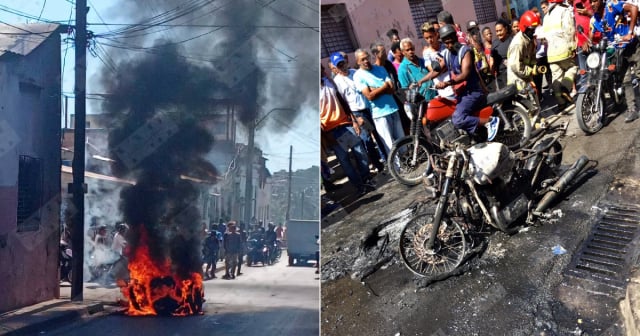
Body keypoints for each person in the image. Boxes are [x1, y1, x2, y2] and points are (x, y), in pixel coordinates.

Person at [436, 24, 499, 141]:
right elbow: (437, 70)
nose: (449, 45)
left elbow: (465, 74)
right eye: (446, 43)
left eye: (451, 42)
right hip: (461, 93)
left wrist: (447, 83)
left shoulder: (465, 51)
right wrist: (420, 81)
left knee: (458, 119)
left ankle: (490, 121)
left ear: (455, 37)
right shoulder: (448, 54)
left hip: (472, 92)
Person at [321, 63, 376, 196]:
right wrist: (325, 135)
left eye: (322, 68)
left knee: (361, 153)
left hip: (345, 124)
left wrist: (353, 120)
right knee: (345, 161)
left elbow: (343, 101)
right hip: (330, 131)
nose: (322, 71)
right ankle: (359, 186)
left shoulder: (329, 81)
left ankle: (366, 178)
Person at [589, 0, 639, 122]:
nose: (592, 4)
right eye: (590, 2)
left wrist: (630, 32)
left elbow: (634, 8)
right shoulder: (595, 17)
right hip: (617, 50)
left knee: (638, 75)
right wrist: (587, 42)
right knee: (625, 80)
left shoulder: (612, 5)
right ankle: (632, 109)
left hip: (632, 45)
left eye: (595, 1)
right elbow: (593, 33)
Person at [353, 49, 405, 156]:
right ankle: (398, 169)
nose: (366, 61)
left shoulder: (380, 69)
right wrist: (384, 86)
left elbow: (392, 89)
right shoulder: (358, 76)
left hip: (393, 108)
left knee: (402, 141)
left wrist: (376, 89)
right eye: (362, 59)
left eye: (367, 58)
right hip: (379, 114)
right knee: (390, 145)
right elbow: (370, 96)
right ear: (358, 62)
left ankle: (409, 164)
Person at [543, 0, 577, 112]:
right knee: (572, 67)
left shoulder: (546, 16)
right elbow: (569, 30)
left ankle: (561, 103)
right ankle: (565, 87)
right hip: (563, 49)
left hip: (551, 53)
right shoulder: (564, 11)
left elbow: (545, 36)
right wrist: (572, 47)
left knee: (556, 77)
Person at [507, 10, 541, 92]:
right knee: (530, 104)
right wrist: (531, 71)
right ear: (524, 27)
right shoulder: (518, 43)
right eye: (532, 29)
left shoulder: (528, 39)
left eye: (534, 29)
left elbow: (531, 57)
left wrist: (534, 66)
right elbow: (516, 67)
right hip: (518, 82)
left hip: (525, 79)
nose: (534, 31)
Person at [422, 22, 456, 100]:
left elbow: (454, 63)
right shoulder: (426, 53)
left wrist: (441, 66)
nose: (429, 40)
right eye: (426, 38)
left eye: (431, 36)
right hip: (443, 89)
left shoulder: (446, 45)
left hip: (454, 83)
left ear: (436, 34)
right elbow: (434, 72)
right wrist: (446, 64)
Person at [397, 37, 437, 103]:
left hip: (436, 96)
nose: (411, 52)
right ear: (403, 52)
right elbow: (406, 92)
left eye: (412, 49)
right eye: (407, 50)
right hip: (422, 104)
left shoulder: (423, 61)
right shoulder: (402, 69)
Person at [492, 19, 514, 89]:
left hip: (512, 73)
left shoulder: (512, 41)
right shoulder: (495, 43)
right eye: (497, 31)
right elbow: (492, 60)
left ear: (506, 29)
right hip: (500, 76)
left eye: (500, 30)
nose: (498, 33)